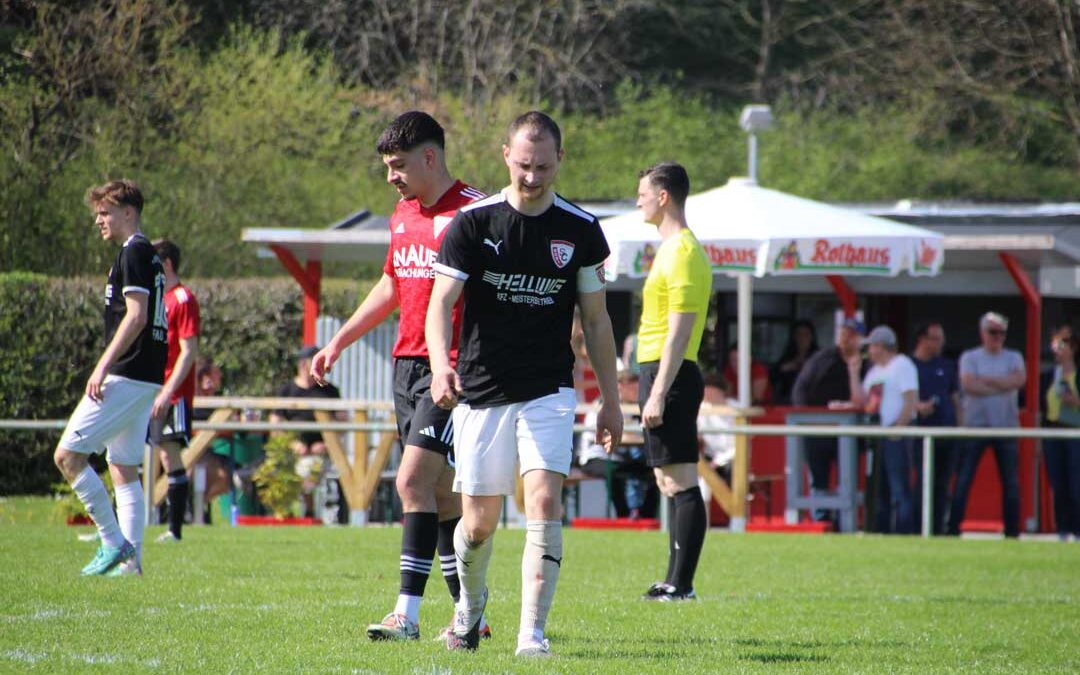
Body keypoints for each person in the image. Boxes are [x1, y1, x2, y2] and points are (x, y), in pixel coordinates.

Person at [426, 111, 622, 657]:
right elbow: (441, 303)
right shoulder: (473, 222)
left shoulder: (581, 231)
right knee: (480, 522)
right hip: (482, 391)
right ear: (504, 155)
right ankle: (468, 606)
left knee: (543, 500)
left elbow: (598, 321)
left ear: (560, 160)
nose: (532, 176)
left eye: (542, 166)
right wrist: (441, 364)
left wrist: (610, 399)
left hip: (549, 390)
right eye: (523, 164)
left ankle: (531, 634)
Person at [309, 111, 486, 642]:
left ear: (430, 157)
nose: (391, 176)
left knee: (410, 482)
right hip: (405, 367)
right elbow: (392, 282)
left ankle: (404, 615)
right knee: (444, 497)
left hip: (451, 369)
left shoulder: (477, 213)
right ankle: (470, 613)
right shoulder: (402, 212)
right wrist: (339, 340)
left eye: (398, 165)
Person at [53, 179, 167, 576]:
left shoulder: (133, 253)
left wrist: (102, 366)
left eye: (105, 212)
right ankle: (131, 563)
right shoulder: (147, 254)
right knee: (123, 468)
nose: (99, 220)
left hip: (126, 374)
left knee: (67, 457)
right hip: (145, 376)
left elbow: (136, 316)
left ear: (128, 213)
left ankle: (113, 543)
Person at [633, 161, 712, 602]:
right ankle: (673, 580)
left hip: (672, 374)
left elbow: (681, 326)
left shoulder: (681, 251)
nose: (638, 200)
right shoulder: (669, 249)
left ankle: (682, 585)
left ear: (663, 197)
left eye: (642, 192)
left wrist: (659, 390)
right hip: (660, 370)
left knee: (681, 479)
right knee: (668, 480)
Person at [949, 312, 1025, 538]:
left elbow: (1019, 381)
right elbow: (969, 385)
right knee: (963, 481)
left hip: (1006, 427)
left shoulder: (1014, 357)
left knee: (1011, 484)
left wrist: (987, 381)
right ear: (983, 333)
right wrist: (1003, 385)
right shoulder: (970, 357)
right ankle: (952, 530)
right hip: (975, 427)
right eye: (993, 332)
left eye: (1002, 333)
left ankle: (1012, 534)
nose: (998, 337)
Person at [148, 238, 201, 543]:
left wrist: (168, 391)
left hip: (173, 394)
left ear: (166, 264)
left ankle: (174, 530)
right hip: (151, 390)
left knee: (170, 456)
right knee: (126, 455)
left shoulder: (183, 299)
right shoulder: (159, 298)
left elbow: (189, 350)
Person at [791, 317, 867, 523]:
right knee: (819, 478)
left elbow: (862, 401)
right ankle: (821, 522)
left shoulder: (864, 363)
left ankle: (846, 521)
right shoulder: (822, 358)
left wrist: (854, 371)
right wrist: (805, 421)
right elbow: (800, 389)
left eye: (852, 334)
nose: (846, 337)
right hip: (818, 429)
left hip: (848, 431)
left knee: (847, 478)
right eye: (844, 332)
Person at [850, 326, 919, 534]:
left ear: (881, 346)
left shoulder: (902, 365)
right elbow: (860, 400)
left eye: (871, 346)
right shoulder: (874, 371)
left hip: (895, 433)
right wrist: (853, 373)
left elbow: (910, 399)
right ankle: (881, 531)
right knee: (879, 488)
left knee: (899, 487)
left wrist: (899, 429)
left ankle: (904, 531)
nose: (869, 351)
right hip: (878, 435)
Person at [269, 345, 345, 517]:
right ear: (304, 365)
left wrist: (327, 444)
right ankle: (285, 514)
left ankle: (309, 513)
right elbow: (275, 425)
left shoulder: (330, 391)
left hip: (322, 452)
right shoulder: (286, 391)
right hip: (290, 450)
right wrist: (292, 444)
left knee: (309, 469)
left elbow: (343, 423)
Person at [577, 363, 656, 519]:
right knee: (613, 474)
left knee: (655, 471)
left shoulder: (636, 408)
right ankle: (623, 516)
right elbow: (599, 436)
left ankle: (647, 517)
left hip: (619, 457)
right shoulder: (602, 404)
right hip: (596, 457)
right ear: (620, 387)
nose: (637, 392)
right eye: (633, 389)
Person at [910, 321, 961, 534]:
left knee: (942, 484)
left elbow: (955, 398)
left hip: (946, 434)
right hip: (919, 435)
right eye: (936, 338)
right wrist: (917, 407)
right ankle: (917, 529)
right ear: (922, 339)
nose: (940, 343)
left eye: (942, 339)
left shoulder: (947, 366)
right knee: (922, 482)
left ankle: (939, 530)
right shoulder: (907, 365)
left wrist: (961, 428)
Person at [1040, 324, 1080, 541]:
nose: (1056, 349)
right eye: (1054, 345)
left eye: (1061, 345)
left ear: (1072, 348)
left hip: (1076, 434)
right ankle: (1062, 531)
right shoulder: (1048, 375)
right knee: (1059, 484)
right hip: (1053, 434)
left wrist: (1076, 402)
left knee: (1077, 484)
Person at [770, 319, 819, 405]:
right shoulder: (787, 356)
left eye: (806, 335)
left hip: (812, 401)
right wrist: (786, 368)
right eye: (799, 335)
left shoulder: (819, 357)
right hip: (788, 400)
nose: (802, 338)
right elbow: (772, 377)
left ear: (812, 337)